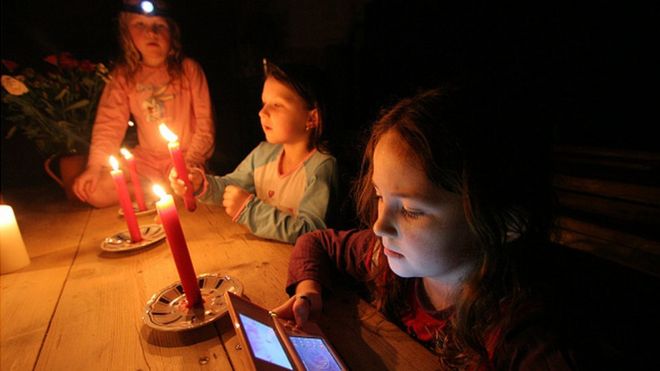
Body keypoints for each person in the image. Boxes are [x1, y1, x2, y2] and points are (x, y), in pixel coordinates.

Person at [271, 86, 588, 369]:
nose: (380, 225)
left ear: (505, 223)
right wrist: (308, 291)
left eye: (410, 210)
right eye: (381, 196)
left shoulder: (521, 336)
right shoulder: (383, 259)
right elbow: (317, 242)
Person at [170, 60, 337, 244]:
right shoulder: (263, 154)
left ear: (311, 117)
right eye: (264, 103)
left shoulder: (321, 167)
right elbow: (230, 187)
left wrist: (249, 210)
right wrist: (200, 183)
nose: (262, 112)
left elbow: (311, 233)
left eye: (277, 105)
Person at [73, 0, 215, 207]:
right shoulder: (124, 76)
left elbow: (205, 125)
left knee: (187, 183)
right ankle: (156, 193)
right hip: (144, 162)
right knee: (96, 192)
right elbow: (109, 124)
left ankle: (163, 192)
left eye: (160, 25)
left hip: (183, 159)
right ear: (126, 32)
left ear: (172, 33)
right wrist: (95, 167)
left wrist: (189, 162)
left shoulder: (188, 70)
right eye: (140, 25)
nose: (151, 33)